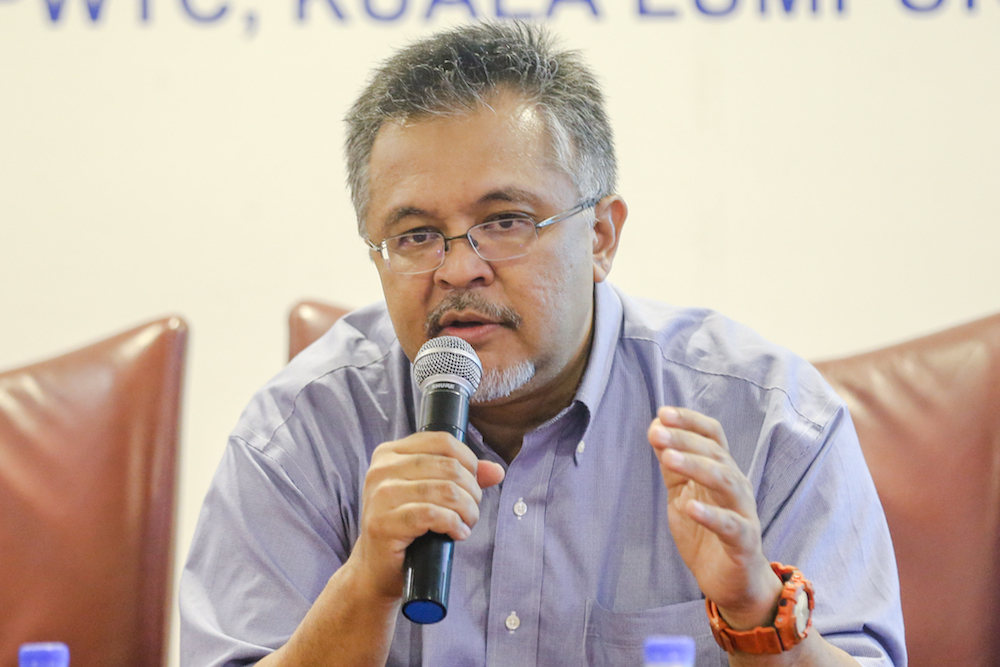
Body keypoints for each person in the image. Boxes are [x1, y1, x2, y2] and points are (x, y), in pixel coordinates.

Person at [180, 21, 905, 667]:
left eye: (505, 220)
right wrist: (364, 585)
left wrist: (755, 614)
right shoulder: (301, 431)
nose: (458, 267)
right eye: (416, 236)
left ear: (600, 235)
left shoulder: (768, 421)